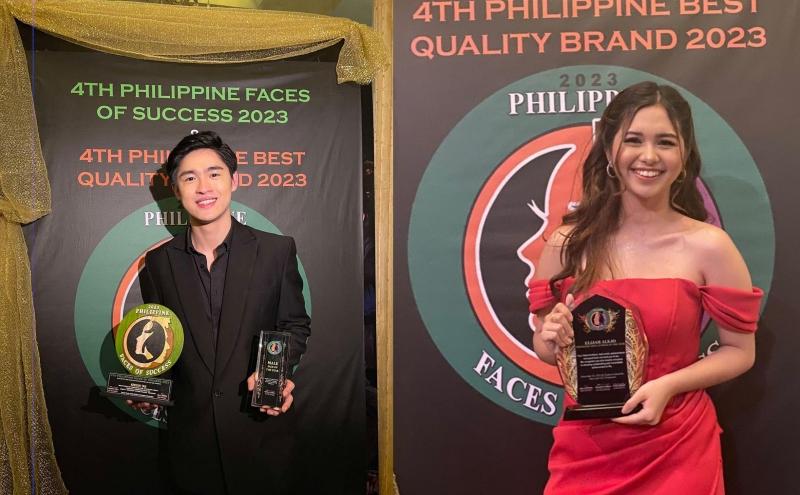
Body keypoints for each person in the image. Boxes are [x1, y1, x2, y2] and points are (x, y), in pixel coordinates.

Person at [528, 82, 762, 494]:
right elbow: (548, 350)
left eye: (665, 142)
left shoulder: (710, 245)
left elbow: (740, 351)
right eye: (634, 140)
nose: (649, 156)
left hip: (677, 447)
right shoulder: (568, 242)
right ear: (609, 150)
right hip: (587, 449)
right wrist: (551, 337)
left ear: (684, 155)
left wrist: (668, 386)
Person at [130, 131, 311, 494]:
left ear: (233, 180)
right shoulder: (159, 263)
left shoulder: (275, 251)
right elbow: (164, 343)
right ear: (175, 190)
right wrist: (148, 389)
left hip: (260, 438)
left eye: (214, 173)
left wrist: (276, 374)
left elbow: (294, 324)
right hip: (190, 448)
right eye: (189, 178)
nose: (203, 187)